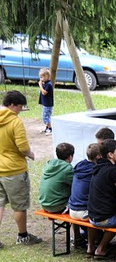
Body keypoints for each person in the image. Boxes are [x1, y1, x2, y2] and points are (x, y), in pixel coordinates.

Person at [0, 90, 42, 247]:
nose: (20, 110)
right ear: (12, 105)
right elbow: (23, 147)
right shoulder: (15, 122)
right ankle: (23, 236)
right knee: (19, 206)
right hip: (14, 170)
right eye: (20, 106)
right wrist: (30, 154)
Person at [87, 139, 116, 258]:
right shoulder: (113, 171)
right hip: (107, 219)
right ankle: (102, 248)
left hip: (91, 217)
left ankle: (90, 247)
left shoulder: (97, 168)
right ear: (110, 154)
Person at [68, 143, 101, 249]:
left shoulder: (79, 165)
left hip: (71, 210)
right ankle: (92, 245)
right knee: (98, 211)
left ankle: (77, 238)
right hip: (85, 212)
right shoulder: (96, 170)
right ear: (98, 156)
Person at [38, 142, 74, 213]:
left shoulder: (49, 165)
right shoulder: (67, 169)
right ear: (70, 157)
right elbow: (76, 184)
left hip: (44, 204)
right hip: (58, 206)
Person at [38, 68, 54, 135]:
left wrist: (40, 85)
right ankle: (47, 128)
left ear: (47, 76)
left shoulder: (49, 84)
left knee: (45, 117)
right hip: (45, 104)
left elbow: (44, 93)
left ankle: (50, 129)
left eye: (42, 77)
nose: (41, 79)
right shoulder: (45, 83)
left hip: (48, 104)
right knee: (46, 116)